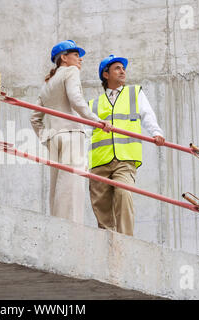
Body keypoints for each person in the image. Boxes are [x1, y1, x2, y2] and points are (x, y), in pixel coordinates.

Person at [30, 40, 113, 224]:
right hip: (71, 135)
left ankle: (57, 225)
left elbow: (34, 119)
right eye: (76, 55)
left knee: (57, 187)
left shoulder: (47, 84)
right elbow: (75, 99)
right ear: (64, 58)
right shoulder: (71, 72)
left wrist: (46, 137)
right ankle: (72, 229)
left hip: (54, 138)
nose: (80, 59)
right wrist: (96, 120)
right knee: (72, 187)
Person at [87, 54, 165, 236]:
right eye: (117, 68)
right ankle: (108, 243)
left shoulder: (134, 93)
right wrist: (82, 161)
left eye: (123, 68)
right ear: (106, 75)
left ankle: (126, 241)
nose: (123, 71)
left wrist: (156, 132)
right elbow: (85, 134)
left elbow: (147, 115)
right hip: (99, 162)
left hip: (125, 159)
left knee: (123, 193)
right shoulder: (93, 104)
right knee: (101, 205)